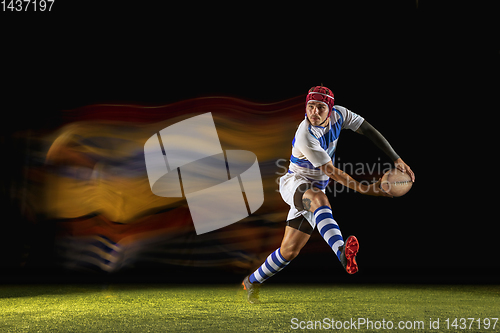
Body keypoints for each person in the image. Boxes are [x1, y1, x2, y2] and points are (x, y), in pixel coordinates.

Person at [242, 86, 415, 304]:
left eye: (320, 107)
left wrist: (396, 159)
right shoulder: (305, 133)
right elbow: (331, 172)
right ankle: (342, 252)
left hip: (315, 188)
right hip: (294, 183)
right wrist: (365, 188)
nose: (314, 112)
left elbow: (368, 130)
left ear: (330, 110)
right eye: (310, 106)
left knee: (289, 250)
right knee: (319, 199)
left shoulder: (340, 115)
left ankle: (251, 281)